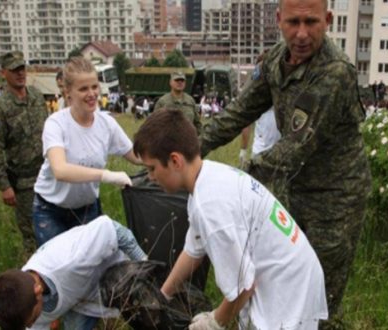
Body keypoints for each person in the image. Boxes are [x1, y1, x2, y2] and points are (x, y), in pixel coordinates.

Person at [198, 0, 371, 322]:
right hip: (293, 190)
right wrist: (195, 147)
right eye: (293, 22)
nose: (302, 33)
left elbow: (297, 146)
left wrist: (237, 180)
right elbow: (241, 110)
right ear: (278, 20)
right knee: (286, 282)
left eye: (311, 22)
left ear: (328, 20)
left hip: (336, 199)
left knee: (321, 295)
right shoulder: (277, 59)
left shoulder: (335, 72)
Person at [133, 109, 327, 329]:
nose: (150, 177)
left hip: (288, 288)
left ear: (175, 160)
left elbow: (244, 286)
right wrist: (163, 295)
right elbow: (193, 250)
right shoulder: (207, 178)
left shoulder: (211, 206)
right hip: (295, 271)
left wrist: (215, 321)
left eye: (152, 168)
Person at [32, 57, 141, 246]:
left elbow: (137, 157)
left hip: (87, 210)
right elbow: (61, 170)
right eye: (83, 89)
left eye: (94, 87)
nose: (91, 94)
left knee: (90, 268)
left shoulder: (107, 124)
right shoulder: (56, 124)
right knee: (59, 269)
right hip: (50, 211)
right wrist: (106, 176)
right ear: (68, 93)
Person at [0, 216, 147, 330]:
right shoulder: (21, 297)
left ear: (38, 292)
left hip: (116, 279)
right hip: (78, 301)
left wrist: (146, 270)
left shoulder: (73, 260)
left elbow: (116, 231)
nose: (30, 325)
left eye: (32, 319)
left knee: (149, 318)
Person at [0, 51, 49, 254]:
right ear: (4, 73)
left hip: (48, 174)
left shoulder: (37, 97)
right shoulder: (0, 108)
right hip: (23, 183)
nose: (20, 74)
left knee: (53, 226)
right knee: (32, 233)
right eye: (14, 70)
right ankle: (33, 279)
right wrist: (4, 185)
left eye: (22, 69)